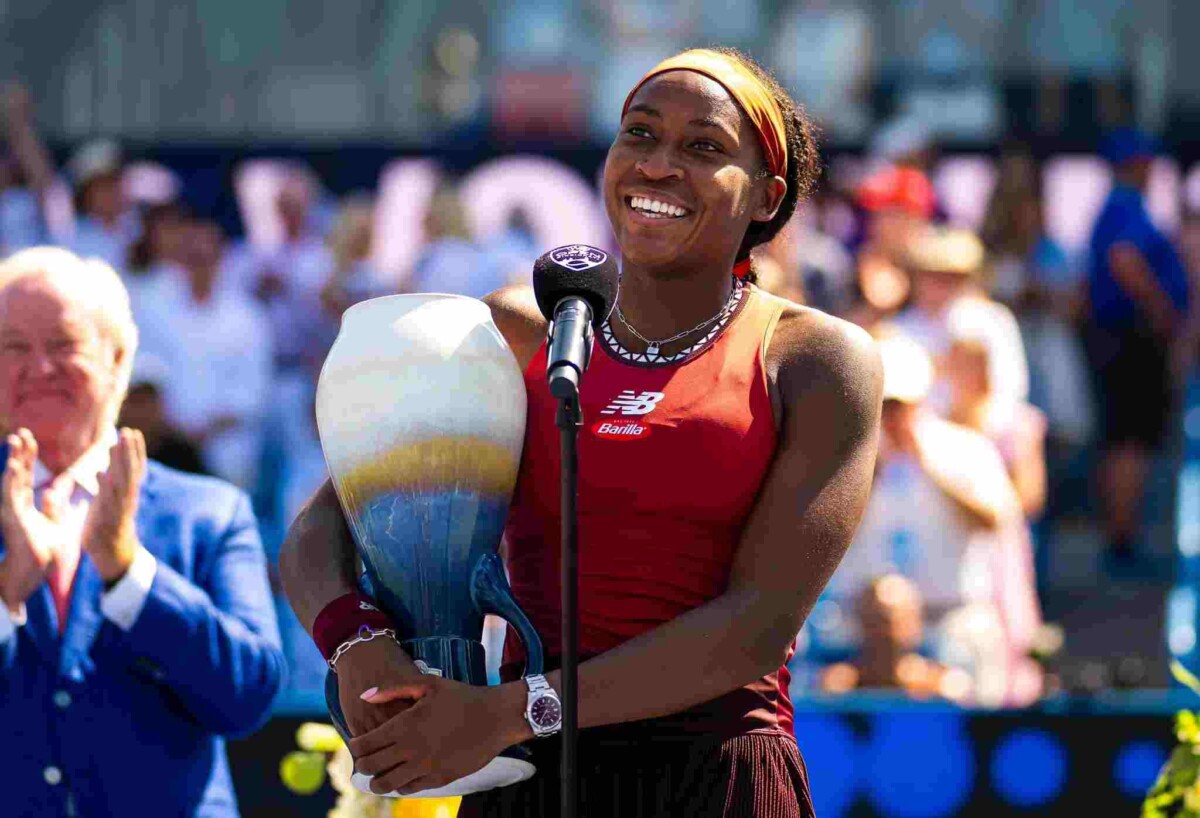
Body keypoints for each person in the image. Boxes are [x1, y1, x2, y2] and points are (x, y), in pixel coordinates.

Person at [279, 47, 882, 817]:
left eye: (703, 147)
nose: (658, 166)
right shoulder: (516, 329)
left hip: (713, 777)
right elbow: (320, 534)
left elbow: (754, 631)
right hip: (526, 777)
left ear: (766, 197)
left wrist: (503, 712)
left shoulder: (817, 360)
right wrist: (358, 644)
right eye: (639, 134)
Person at [0, 246, 283, 817]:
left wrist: (129, 573)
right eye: (12, 347)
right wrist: (7, 595)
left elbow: (248, 695)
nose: (39, 367)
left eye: (63, 344)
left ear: (119, 360)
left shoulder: (209, 511)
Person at [835, 334, 1034, 706]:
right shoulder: (855, 459)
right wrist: (872, 472)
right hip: (877, 640)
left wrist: (928, 463)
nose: (892, 416)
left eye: (901, 405)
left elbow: (997, 519)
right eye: (885, 405)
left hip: (954, 624)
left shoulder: (964, 448)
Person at [1084, 128, 1191, 569]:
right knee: (1130, 439)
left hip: (1123, 337)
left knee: (1125, 439)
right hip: (1131, 338)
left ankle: (1121, 539)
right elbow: (1125, 261)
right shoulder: (1125, 206)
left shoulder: (1119, 205)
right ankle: (1122, 542)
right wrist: (1163, 313)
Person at [819, 574, 971, 702]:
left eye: (899, 617)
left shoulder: (943, 683)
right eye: (878, 617)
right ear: (862, 621)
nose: (887, 630)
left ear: (916, 621)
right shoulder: (837, 684)